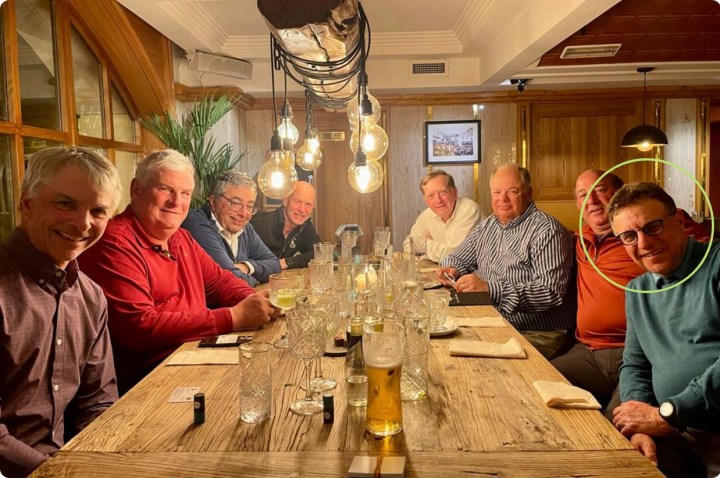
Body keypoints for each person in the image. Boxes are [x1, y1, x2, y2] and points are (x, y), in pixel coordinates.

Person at [79, 150, 275, 393]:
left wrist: (254, 300)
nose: (176, 202)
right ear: (136, 189)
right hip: (147, 384)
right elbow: (140, 328)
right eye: (165, 189)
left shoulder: (181, 238)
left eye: (185, 194)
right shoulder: (115, 241)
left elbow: (221, 281)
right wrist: (234, 317)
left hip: (191, 359)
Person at [0, 147, 120, 478]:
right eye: (65, 203)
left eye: (98, 211)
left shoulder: (90, 296)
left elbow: (98, 404)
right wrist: (59, 473)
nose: (82, 223)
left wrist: (101, 464)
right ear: (26, 204)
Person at [552, 169, 710, 416]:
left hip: (636, 350)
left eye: (600, 191)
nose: (643, 242)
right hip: (588, 352)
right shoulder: (579, 241)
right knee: (535, 388)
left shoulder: (657, 241)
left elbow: (694, 249)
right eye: (583, 195)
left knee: (615, 429)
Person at [608, 182, 719, 478]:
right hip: (675, 435)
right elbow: (635, 364)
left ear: (680, 221)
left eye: (652, 227)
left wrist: (668, 414)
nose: (642, 243)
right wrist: (638, 428)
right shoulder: (637, 290)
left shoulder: (717, 265)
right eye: (629, 236)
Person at [437, 164, 576, 359]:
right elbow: (460, 255)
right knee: (442, 349)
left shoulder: (547, 231)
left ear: (528, 193)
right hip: (497, 323)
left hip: (540, 333)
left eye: (512, 191)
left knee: (484, 370)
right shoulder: (489, 225)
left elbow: (550, 292)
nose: (502, 199)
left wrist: (491, 288)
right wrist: (452, 268)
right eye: (497, 192)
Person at [182, 170, 280, 287]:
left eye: (249, 206)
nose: (243, 213)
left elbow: (275, 264)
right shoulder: (198, 225)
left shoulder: (245, 227)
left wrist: (246, 267)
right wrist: (255, 279)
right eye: (235, 203)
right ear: (213, 202)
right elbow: (231, 280)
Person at [402, 170, 482, 262]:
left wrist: (424, 245)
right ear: (426, 201)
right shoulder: (426, 215)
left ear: (455, 193)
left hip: (475, 274)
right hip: (445, 271)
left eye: (443, 192)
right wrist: (441, 251)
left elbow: (455, 256)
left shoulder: (470, 210)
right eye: (431, 196)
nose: (438, 200)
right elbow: (408, 244)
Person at [251, 181, 321, 269]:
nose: (302, 209)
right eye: (297, 201)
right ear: (285, 201)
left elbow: (320, 253)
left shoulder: (305, 226)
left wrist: (286, 262)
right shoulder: (258, 224)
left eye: (308, 204)